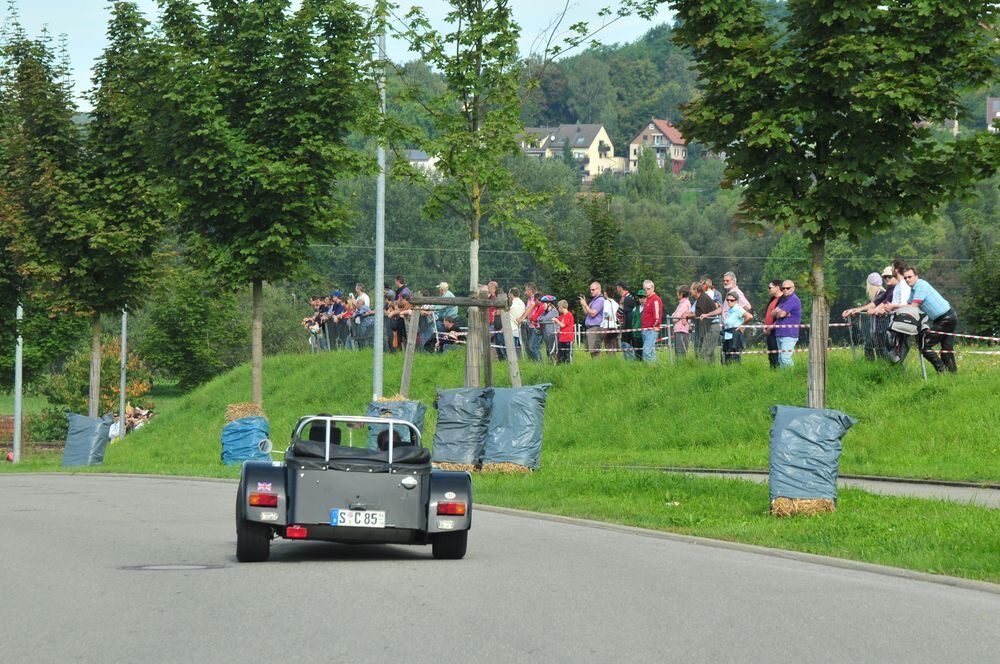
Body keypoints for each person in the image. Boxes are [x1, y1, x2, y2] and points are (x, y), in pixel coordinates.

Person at [888, 267, 958, 373]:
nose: (907, 279)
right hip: (945, 318)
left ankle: (941, 370)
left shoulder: (921, 286)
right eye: (905, 277)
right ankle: (952, 376)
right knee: (946, 349)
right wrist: (892, 308)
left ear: (916, 276)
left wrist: (894, 306)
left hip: (946, 318)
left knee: (925, 346)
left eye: (910, 277)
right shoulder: (914, 289)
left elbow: (913, 306)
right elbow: (908, 305)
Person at [773, 280, 802, 367]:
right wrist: (781, 313)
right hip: (780, 333)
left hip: (789, 334)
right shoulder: (784, 300)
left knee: (785, 358)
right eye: (783, 288)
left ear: (793, 288)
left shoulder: (793, 299)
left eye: (788, 288)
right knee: (780, 359)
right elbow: (773, 313)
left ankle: (793, 376)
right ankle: (784, 379)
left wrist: (780, 313)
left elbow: (780, 314)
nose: (785, 290)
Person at [721, 293, 752, 364]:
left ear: (736, 301)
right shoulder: (730, 310)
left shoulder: (738, 309)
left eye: (732, 300)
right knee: (727, 357)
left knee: (734, 358)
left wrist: (742, 325)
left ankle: (736, 372)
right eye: (727, 300)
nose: (729, 301)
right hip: (728, 335)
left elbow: (749, 316)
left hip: (735, 335)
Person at [579, 282, 605, 358]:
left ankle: (597, 367)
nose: (591, 291)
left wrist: (585, 304)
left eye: (593, 289)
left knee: (595, 352)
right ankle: (595, 367)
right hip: (591, 328)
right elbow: (586, 312)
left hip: (595, 328)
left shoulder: (600, 300)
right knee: (592, 352)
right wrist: (583, 304)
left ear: (599, 289)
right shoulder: (594, 300)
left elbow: (593, 313)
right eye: (590, 290)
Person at [762, 280, 783, 368]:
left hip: (776, 331)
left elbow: (781, 317)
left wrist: (771, 327)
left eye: (770, 287)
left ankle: (777, 371)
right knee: (771, 354)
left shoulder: (783, 300)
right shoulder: (772, 299)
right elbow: (768, 314)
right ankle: (773, 371)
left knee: (776, 354)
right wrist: (764, 326)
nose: (769, 290)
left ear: (777, 287)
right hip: (768, 331)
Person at [640, 279, 662, 362]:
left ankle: (648, 371)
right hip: (645, 330)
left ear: (653, 288)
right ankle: (655, 371)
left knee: (646, 352)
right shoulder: (647, 299)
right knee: (651, 353)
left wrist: (655, 326)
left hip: (651, 330)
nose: (646, 290)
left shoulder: (655, 299)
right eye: (644, 289)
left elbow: (657, 316)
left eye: (648, 289)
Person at [616, 282, 638, 359]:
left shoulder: (626, 299)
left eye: (617, 287)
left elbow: (619, 315)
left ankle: (631, 365)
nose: (616, 289)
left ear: (620, 288)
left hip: (628, 330)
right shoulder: (630, 297)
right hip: (628, 328)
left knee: (628, 350)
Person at [536, 295, 559, 363]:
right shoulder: (546, 312)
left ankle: (555, 364)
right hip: (547, 334)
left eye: (544, 304)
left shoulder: (554, 311)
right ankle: (551, 364)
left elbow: (543, 320)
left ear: (549, 304)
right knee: (548, 351)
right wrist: (542, 319)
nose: (542, 305)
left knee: (551, 351)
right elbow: (538, 318)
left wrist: (542, 319)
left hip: (552, 334)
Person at [671, 285, 692, 356]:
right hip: (679, 329)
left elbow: (675, 317)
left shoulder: (685, 304)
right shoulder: (682, 303)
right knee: (678, 351)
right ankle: (680, 365)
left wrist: (673, 316)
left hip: (681, 330)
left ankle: (681, 365)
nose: (677, 293)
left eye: (678, 292)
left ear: (682, 293)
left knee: (680, 351)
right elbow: (674, 314)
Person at [553, 299, 575, 363]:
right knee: (560, 354)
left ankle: (569, 367)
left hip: (568, 339)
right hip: (561, 339)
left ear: (561, 307)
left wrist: (556, 320)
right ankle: (560, 365)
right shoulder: (562, 316)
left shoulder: (569, 315)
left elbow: (562, 325)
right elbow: (557, 320)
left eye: (558, 308)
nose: (558, 309)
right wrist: (554, 320)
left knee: (568, 354)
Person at [507, 287, 525, 358]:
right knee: (518, 346)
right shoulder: (522, 303)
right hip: (518, 327)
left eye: (509, 294)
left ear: (511, 294)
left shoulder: (511, 304)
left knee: (512, 347)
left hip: (511, 327)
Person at [600, 287, 620, 352]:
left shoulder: (606, 302)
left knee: (608, 346)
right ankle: (613, 360)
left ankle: (610, 359)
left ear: (606, 293)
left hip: (607, 326)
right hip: (614, 326)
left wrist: (607, 317)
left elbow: (606, 312)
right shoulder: (616, 303)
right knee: (613, 345)